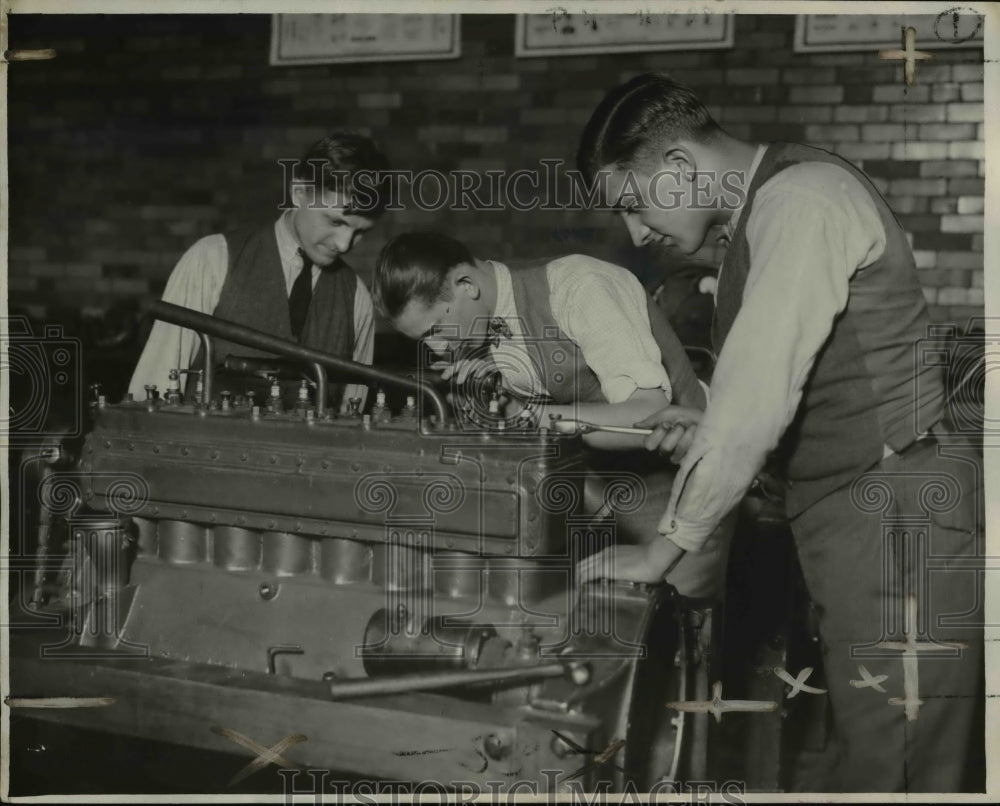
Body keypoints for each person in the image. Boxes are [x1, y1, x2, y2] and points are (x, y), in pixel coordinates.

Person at [574, 73, 984, 792]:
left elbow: (754, 404)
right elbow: (783, 397)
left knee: (900, 763)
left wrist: (662, 551)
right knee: (866, 751)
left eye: (633, 206)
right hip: (856, 514)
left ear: (677, 167)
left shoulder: (800, 200)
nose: (636, 233)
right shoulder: (766, 208)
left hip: (894, 514)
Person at [372, 230, 732, 599]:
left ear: (466, 284)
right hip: (582, 516)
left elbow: (651, 414)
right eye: (424, 340)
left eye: (436, 329)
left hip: (674, 514)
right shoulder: (476, 329)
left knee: (665, 643)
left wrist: (527, 414)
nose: (438, 347)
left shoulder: (580, 286)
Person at [128, 132, 390, 412]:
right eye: (335, 221)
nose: (344, 244)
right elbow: (149, 397)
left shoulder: (357, 299)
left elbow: (351, 419)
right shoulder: (211, 260)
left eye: (361, 231)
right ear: (299, 192)